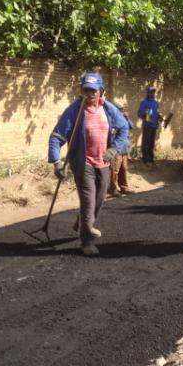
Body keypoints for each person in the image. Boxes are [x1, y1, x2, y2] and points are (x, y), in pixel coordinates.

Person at [48, 72, 128, 256]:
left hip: (104, 163)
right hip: (83, 163)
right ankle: (86, 241)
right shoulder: (75, 111)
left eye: (93, 90)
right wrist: (56, 162)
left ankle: (83, 221)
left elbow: (123, 128)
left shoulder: (108, 109)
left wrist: (114, 148)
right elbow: (56, 137)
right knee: (88, 201)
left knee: (99, 201)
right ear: (81, 90)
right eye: (86, 90)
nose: (90, 94)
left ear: (101, 91)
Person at [108, 103, 134, 197]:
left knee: (124, 169)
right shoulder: (112, 120)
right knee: (115, 170)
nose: (122, 111)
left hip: (124, 150)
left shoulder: (124, 119)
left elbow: (131, 126)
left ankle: (124, 188)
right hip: (117, 150)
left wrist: (127, 118)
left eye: (122, 110)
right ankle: (113, 189)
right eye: (120, 110)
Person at [137, 86, 162, 166]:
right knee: (146, 142)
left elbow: (157, 113)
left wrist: (160, 118)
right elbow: (139, 114)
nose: (152, 94)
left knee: (151, 143)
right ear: (147, 93)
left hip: (154, 125)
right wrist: (145, 114)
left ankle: (151, 159)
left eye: (153, 92)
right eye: (150, 92)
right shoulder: (144, 102)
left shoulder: (155, 103)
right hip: (147, 125)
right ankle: (145, 159)